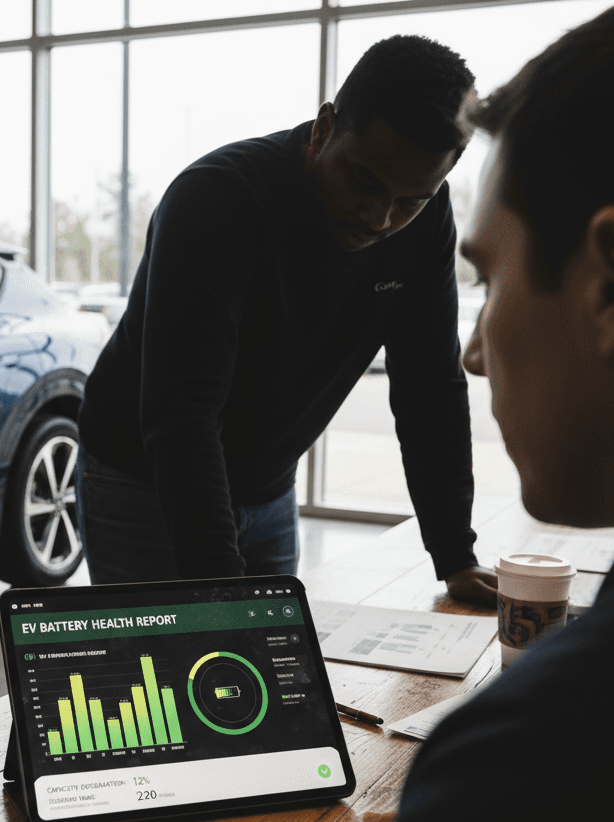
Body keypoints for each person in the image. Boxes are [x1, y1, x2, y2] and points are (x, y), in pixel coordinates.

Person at [268, 3, 614, 822]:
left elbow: (428, 388)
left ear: (610, 282)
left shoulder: (557, 744)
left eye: (491, 276)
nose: (478, 348)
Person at [77, 35, 497, 606]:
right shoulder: (217, 200)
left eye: (410, 200)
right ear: (325, 128)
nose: (378, 218)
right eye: (364, 181)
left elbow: (431, 389)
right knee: (161, 677)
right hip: (144, 481)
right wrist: (224, 591)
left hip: (269, 488)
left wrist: (455, 556)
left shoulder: (427, 222)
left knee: (272, 676)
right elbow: (182, 417)